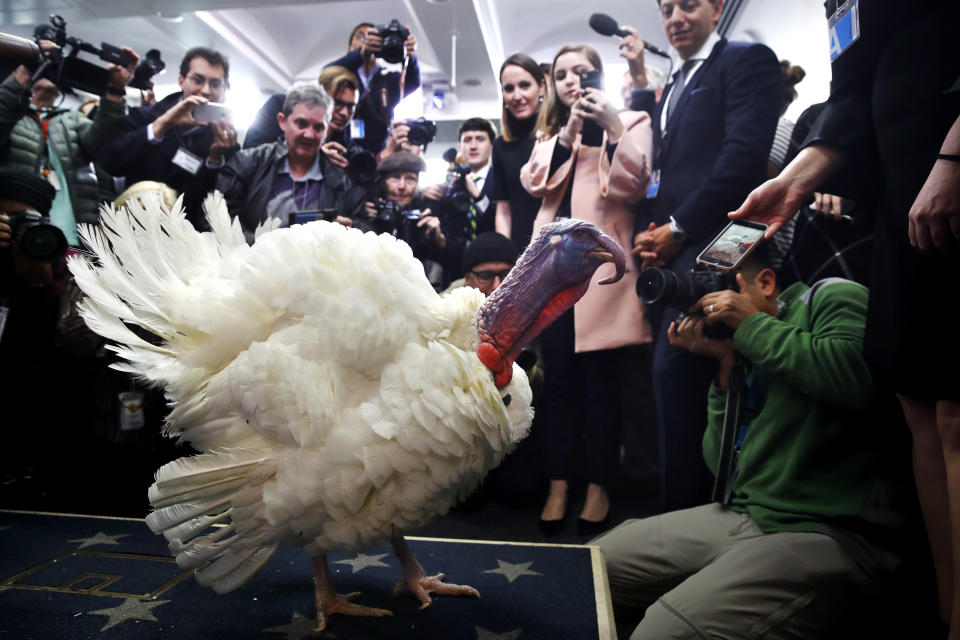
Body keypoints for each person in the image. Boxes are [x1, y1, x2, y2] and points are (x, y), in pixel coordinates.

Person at [728, 2, 960, 634]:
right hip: (904, 189)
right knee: (922, 409)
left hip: (946, 174)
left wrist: (954, 158)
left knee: (954, 413)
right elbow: (857, 85)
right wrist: (796, 178)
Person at [594, 243, 916, 639]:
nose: (710, 301)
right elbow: (720, 466)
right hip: (746, 514)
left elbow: (855, 380)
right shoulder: (746, 347)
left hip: (826, 531)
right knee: (587, 567)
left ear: (765, 282)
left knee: (662, 631)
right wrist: (726, 369)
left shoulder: (832, 296)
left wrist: (749, 327)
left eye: (723, 288)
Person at [622, 0, 783, 512]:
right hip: (679, 251)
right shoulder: (675, 85)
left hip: (730, 244)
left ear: (717, 7)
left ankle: (692, 525)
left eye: (688, 4)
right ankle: (677, 523)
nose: (675, 17)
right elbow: (670, 174)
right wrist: (656, 231)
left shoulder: (745, 58)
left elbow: (743, 160)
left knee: (689, 382)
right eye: (666, 7)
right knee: (675, 389)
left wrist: (678, 227)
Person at [521, 43, 653, 536]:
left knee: (602, 389)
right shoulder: (554, 135)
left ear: (600, 74)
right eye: (562, 74)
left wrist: (612, 126)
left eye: (583, 70)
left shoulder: (633, 119)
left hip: (604, 275)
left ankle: (599, 486)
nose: (572, 80)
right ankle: (559, 483)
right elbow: (536, 181)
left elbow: (631, 186)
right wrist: (572, 133)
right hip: (553, 274)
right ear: (553, 85)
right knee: (556, 386)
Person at [0, 41, 138, 246]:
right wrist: (27, 67)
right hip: (18, 237)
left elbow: (102, 141)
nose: (47, 71)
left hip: (73, 238)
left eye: (51, 68)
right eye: (42, 67)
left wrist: (116, 89)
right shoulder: (12, 116)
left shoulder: (71, 119)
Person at [203, 83, 365, 242]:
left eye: (318, 127)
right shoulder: (247, 162)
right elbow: (215, 220)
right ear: (282, 122)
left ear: (327, 131)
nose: (309, 134)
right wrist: (266, 248)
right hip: (250, 263)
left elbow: (363, 225)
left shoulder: (341, 181)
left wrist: (346, 233)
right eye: (301, 124)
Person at [96, 47, 230, 217]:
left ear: (224, 89)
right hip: (130, 225)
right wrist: (160, 126)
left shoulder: (225, 144)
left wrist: (215, 160)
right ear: (181, 81)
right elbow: (110, 162)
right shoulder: (144, 118)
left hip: (182, 236)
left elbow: (215, 210)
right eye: (198, 80)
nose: (206, 90)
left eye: (215, 84)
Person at [360, 150, 465, 289]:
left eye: (410, 179)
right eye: (395, 178)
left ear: (418, 184)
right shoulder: (366, 211)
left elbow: (455, 262)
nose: (402, 186)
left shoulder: (422, 217)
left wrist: (440, 239)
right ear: (383, 182)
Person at [323, 22, 420, 154]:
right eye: (361, 37)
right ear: (350, 48)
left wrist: (408, 55)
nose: (368, 41)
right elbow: (326, 74)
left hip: (378, 153)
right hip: (341, 146)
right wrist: (361, 54)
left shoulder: (386, 80)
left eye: (374, 37)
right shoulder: (342, 77)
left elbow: (412, 81)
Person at [490, 53, 547, 253]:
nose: (516, 96)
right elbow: (503, 211)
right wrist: (504, 255)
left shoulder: (559, 134)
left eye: (524, 85)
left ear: (541, 87)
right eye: (509, 88)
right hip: (520, 252)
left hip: (561, 246)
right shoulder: (501, 146)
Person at [243, 66, 360, 159]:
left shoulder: (344, 144)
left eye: (350, 106)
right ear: (320, 93)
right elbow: (250, 151)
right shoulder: (279, 105)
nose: (345, 113)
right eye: (338, 103)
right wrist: (314, 158)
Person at [423, 117, 497, 240]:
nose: (473, 146)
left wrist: (478, 197)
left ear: (491, 146)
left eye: (480, 139)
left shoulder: (501, 179)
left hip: (492, 250)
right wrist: (425, 196)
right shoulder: (449, 182)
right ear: (459, 147)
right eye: (467, 140)